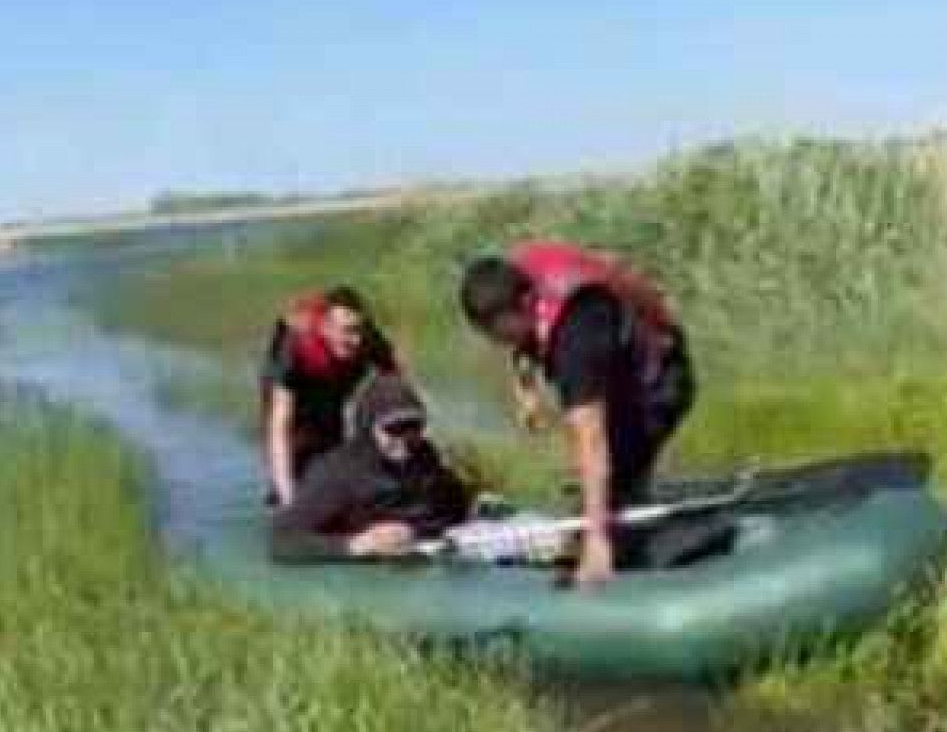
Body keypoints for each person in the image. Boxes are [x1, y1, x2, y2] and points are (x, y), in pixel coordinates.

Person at [458, 241, 696, 587]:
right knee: (595, 479)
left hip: (657, 380)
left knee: (617, 472)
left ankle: (626, 558)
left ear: (526, 303)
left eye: (499, 333)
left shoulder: (577, 337)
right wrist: (525, 386)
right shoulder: (518, 275)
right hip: (613, 351)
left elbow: (591, 437)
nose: (497, 343)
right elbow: (520, 341)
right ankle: (599, 521)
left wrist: (597, 538)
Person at [270, 374, 474, 561]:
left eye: (414, 427)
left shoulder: (425, 458)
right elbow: (283, 542)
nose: (405, 439)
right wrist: (354, 546)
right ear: (369, 428)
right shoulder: (336, 473)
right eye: (394, 429)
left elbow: (454, 507)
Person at [259, 285, 400, 507]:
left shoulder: (368, 339)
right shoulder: (294, 345)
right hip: (297, 385)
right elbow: (280, 426)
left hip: (335, 382)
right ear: (324, 327)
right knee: (301, 448)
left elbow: (398, 387)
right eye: (347, 331)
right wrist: (290, 504)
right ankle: (284, 495)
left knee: (332, 444)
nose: (357, 340)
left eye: (359, 330)